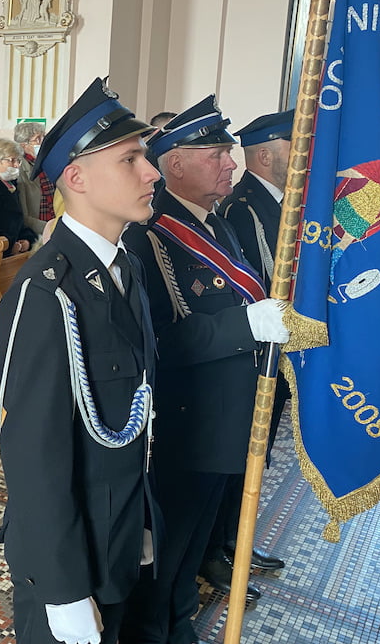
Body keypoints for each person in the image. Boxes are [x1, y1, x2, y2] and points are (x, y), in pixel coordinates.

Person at [0, 77, 160, 644]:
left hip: (116, 538)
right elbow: (32, 457)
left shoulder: (125, 268)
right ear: (77, 178)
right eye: (131, 160)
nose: (152, 173)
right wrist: (61, 588)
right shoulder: (46, 294)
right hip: (69, 557)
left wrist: (140, 521)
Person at [121, 96, 290, 644]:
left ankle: (179, 625)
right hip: (188, 426)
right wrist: (245, 326)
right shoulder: (149, 235)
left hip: (227, 420)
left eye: (227, 152)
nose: (230, 163)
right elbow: (158, 343)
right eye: (215, 154)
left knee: (193, 548)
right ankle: (154, 631)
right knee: (168, 550)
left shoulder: (215, 224)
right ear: (174, 164)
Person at [199, 110, 294, 596]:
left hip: (274, 350)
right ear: (266, 155)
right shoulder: (243, 208)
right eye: (293, 148)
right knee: (237, 457)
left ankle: (234, 540)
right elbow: (254, 287)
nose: (304, 157)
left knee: (253, 455)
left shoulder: (278, 204)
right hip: (253, 353)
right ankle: (216, 548)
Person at [14, 120, 53, 233]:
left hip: (54, 220)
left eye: (43, 137)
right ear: (23, 145)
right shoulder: (19, 168)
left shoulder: (45, 163)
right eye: (38, 139)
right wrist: (49, 229)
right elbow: (23, 214)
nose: (43, 141)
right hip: (38, 228)